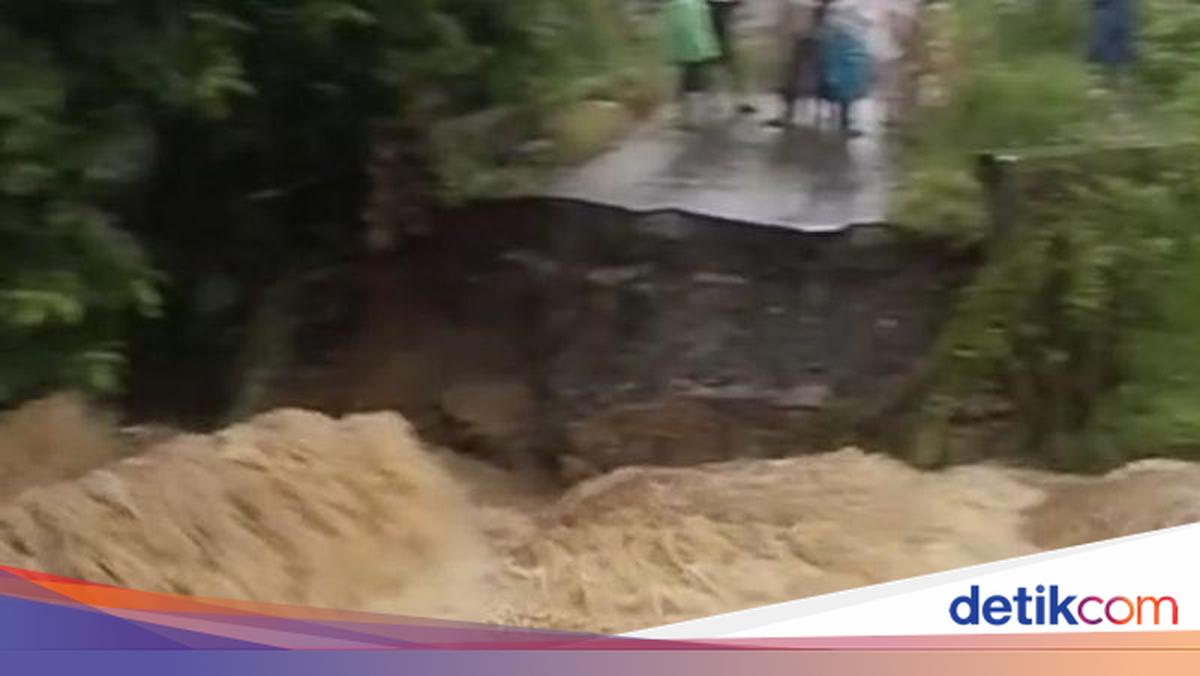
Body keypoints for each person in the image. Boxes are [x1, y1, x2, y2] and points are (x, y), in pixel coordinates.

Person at [767, 0, 832, 128]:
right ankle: (816, 113)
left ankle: (788, 114)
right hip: (814, 36)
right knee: (809, 72)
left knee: (794, 74)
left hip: (804, 37)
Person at [661, 0, 723, 129]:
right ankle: (700, 114)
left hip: (685, 50)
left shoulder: (674, 7)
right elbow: (707, 28)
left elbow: (672, 31)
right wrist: (711, 47)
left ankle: (690, 117)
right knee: (698, 80)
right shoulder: (700, 5)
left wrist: (671, 52)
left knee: (688, 82)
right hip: (700, 48)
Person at [818, 0, 873, 136]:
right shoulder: (842, 30)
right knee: (843, 92)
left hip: (846, 56)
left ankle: (841, 120)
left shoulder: (841, 13)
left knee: (844, 93)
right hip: (844, 53)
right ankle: (843, 122)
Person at [705, 0, 756, 115]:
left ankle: (722, 102)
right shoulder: (717, 7)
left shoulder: (712, 6)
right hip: (718, 40)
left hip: (718, 40)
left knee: (722, 72)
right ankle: (733, 101)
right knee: (725, 72)